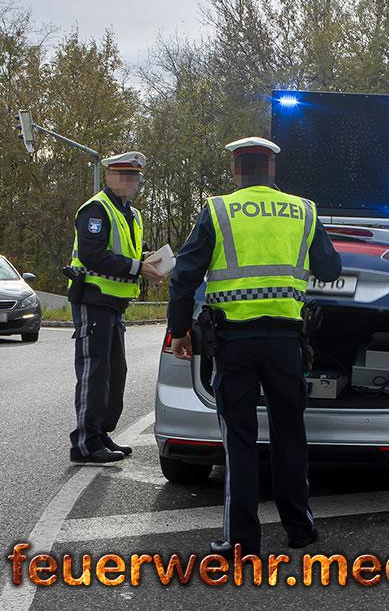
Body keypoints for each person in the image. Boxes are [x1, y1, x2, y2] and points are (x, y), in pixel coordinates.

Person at [166, 136, 341, 556]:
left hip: (234, 344)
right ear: (272, 170)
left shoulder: (218, 210)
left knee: (239, 439)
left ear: (235, 170)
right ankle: (299, 529)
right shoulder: (304, 210)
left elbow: (183, 277)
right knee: (290, 434)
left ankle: (242, 541)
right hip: (286, 344)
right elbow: (330, 268)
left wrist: (179, 332)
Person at [69, 152, 166, 464]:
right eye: (124, 175)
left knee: (115, 372)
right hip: (93, 299)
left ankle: (100, 433)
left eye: (135, 177)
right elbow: (92, 254)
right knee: (94, 374)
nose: (130, 182)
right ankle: (84, 442)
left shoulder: (132, 215)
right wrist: (139, 267)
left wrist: (151, 261)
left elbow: (130, 252)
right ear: (109, 176)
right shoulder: (96, 209)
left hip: (114, 305)